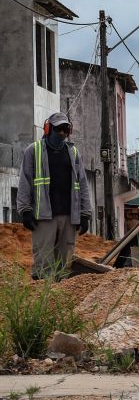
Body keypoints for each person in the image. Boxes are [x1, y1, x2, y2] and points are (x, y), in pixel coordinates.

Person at [16, 112, 92, 279]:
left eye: (66, 130)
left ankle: (60, 297)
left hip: (68, 217)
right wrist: (25, 211)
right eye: (59, 129)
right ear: (48, 129)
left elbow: (83, 184)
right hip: (44, 217)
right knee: (44, 262)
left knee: (64, 264)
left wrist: (85, 214)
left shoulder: (73, 153)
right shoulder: (33, 151)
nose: (63, 134)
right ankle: (43, 299)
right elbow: (25, 181)